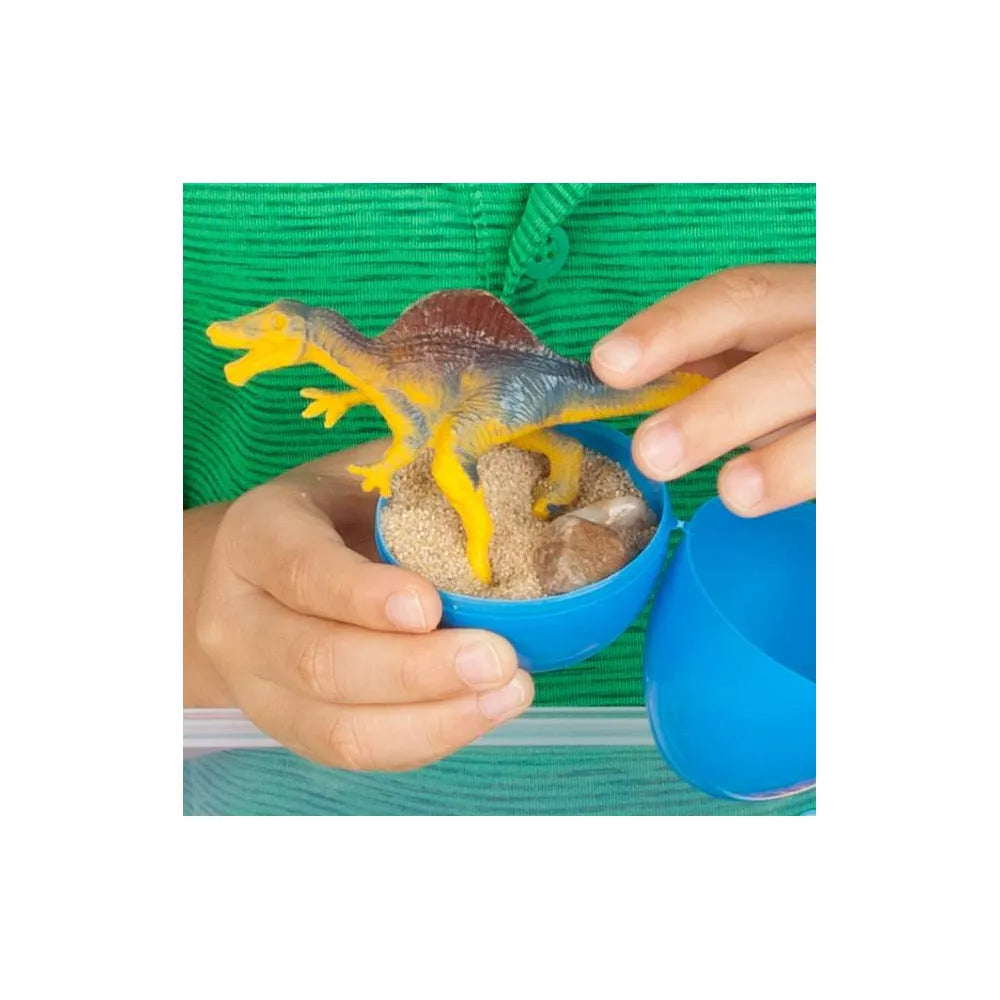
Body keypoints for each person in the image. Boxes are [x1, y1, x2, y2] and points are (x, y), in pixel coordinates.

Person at [183, 183, 815, 815]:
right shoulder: (379, 366)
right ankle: (562, 468)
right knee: (506, 429)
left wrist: (389, 468)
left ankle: (480, 549)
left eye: (273, 329)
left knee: (451, 460)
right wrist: (211, 604)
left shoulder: (383, 368)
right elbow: (398, 407)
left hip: (760, 760)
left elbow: (410, 435)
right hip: (274, 789)